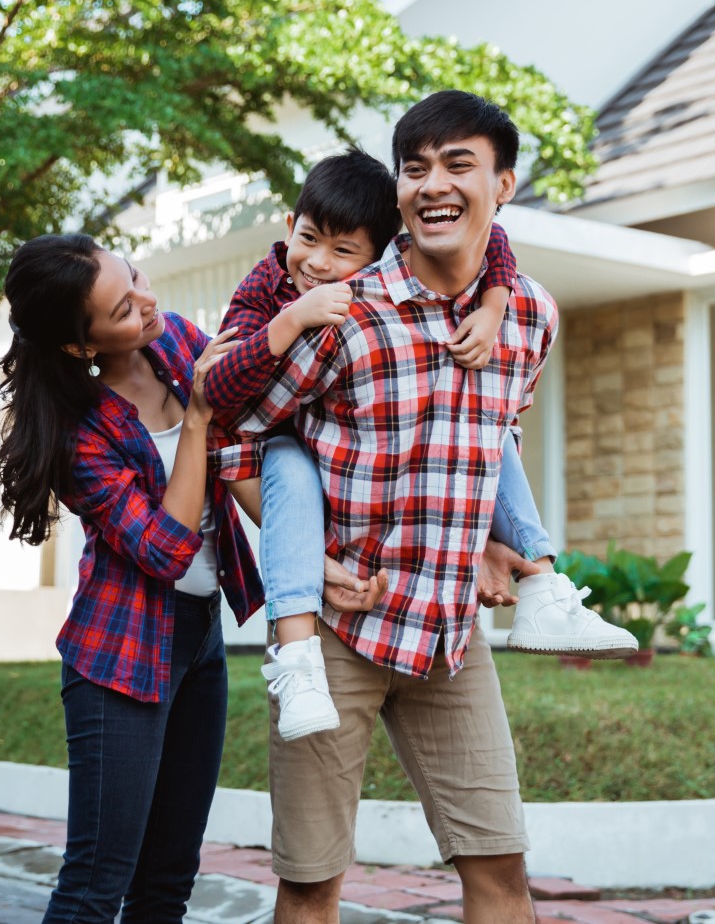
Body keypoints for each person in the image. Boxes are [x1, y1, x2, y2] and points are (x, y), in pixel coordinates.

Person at [218, 91, 592, 922]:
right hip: (336, 634)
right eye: (415, 168)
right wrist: (303, 560)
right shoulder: (343, 309)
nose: (435, 185)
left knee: (501, 871)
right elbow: (235, 431)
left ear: (505, 186)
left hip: (450, 631)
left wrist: (498, 539)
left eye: (459, 164)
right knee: (312, 883)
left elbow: (500, 431)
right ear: (397, 192)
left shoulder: (528, 312)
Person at [0, 234, 381, 924]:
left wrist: (309, 560)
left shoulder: (174, 344)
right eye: (120, 308)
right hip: (120, 659)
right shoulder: (83, 435)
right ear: (81, 346)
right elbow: (168, 548)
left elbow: (241, 450)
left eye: (134, 276)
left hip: (199, 641)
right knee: (95, 881)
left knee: (170, 878)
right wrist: (198, 416)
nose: (146, 301)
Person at [205, 147, 634, 742]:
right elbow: (219, 397)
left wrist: (494, 301)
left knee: (494, 428)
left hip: (420, 580)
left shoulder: (401, 295)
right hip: (282, 448)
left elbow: (496, 245)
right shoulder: (272, 285)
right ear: (289, 228)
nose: (319, 263)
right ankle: (297, 658)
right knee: (294, 474)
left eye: (344, 252)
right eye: (309, 240)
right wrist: (293, 318)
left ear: (380, 253)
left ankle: (540, 582)